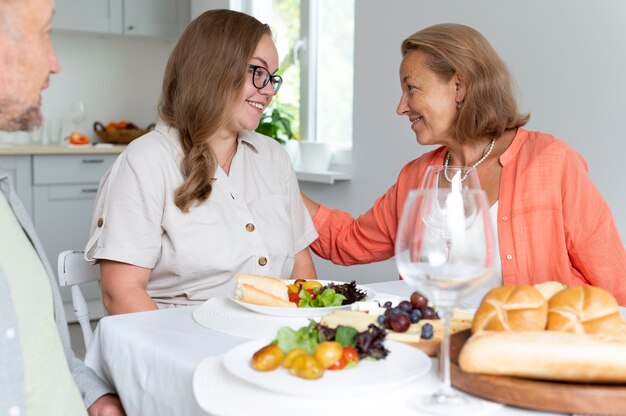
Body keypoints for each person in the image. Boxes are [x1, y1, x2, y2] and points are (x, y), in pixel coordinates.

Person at [302, 23, 626, 305]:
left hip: (532, 356)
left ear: (459, 86)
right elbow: (348, 242)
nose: (401, 107)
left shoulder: (553, 163)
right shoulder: (416, 177)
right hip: (439, 351)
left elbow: (613, 283)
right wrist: (282, 185)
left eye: (411, 88)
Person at [85, 10, 317, 314]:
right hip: (182, 345)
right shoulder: (146, 161)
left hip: (266, 345)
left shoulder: (274, 157)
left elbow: (301, 264)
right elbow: (121, 292)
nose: (269, 90)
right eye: (258, 73)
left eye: (272, 77)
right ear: (214, 70)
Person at [0, 0, 125, 414]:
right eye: (44, 32)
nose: (55, 64)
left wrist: (96, 397)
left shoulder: (5, 199)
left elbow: (44, 346)